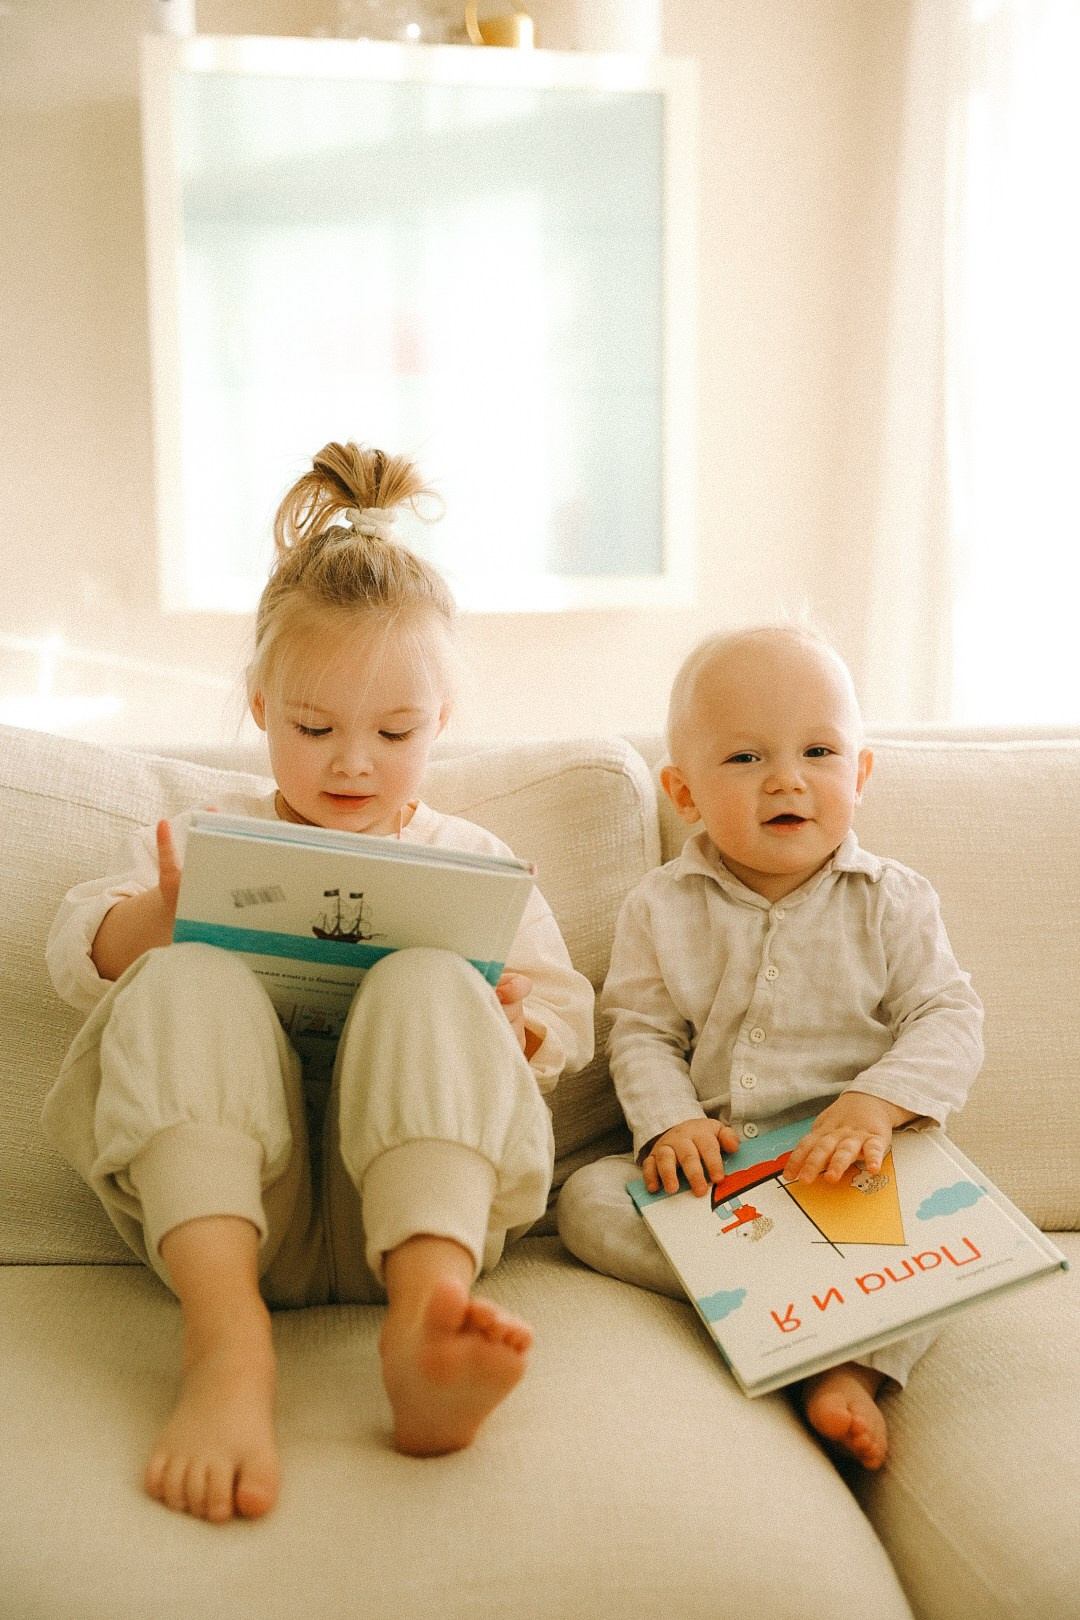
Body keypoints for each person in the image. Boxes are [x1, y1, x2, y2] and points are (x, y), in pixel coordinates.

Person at [44, 442, 594, 1522]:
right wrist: (160, 916)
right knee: (182, 976)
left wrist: (512, 1026)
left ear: (442, 722)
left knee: (435, 981)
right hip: (233, 1212)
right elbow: (74, 952)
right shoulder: (211, 841)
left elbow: (566, 1011)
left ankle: (425, 1325)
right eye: (314, 728)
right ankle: (227, 1345)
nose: (352, 762)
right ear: (260, 706)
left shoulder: (472, 858)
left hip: (424, 1209)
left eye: (395, 732)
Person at [557, 624, 983, 1470]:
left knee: (955, 1227)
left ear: (859, 774)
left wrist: (875, 1103)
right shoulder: (661, 905)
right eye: (747, 758)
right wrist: (672, 1122)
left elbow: (949, 1016)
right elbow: (641, 1031)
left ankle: (846, 1364)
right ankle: (776, 1303)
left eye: (818, 752)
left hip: (852, 1165)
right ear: (684, 792)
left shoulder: (892, 901)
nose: (787, 779)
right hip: (723, 1177)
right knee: (587, 1200)